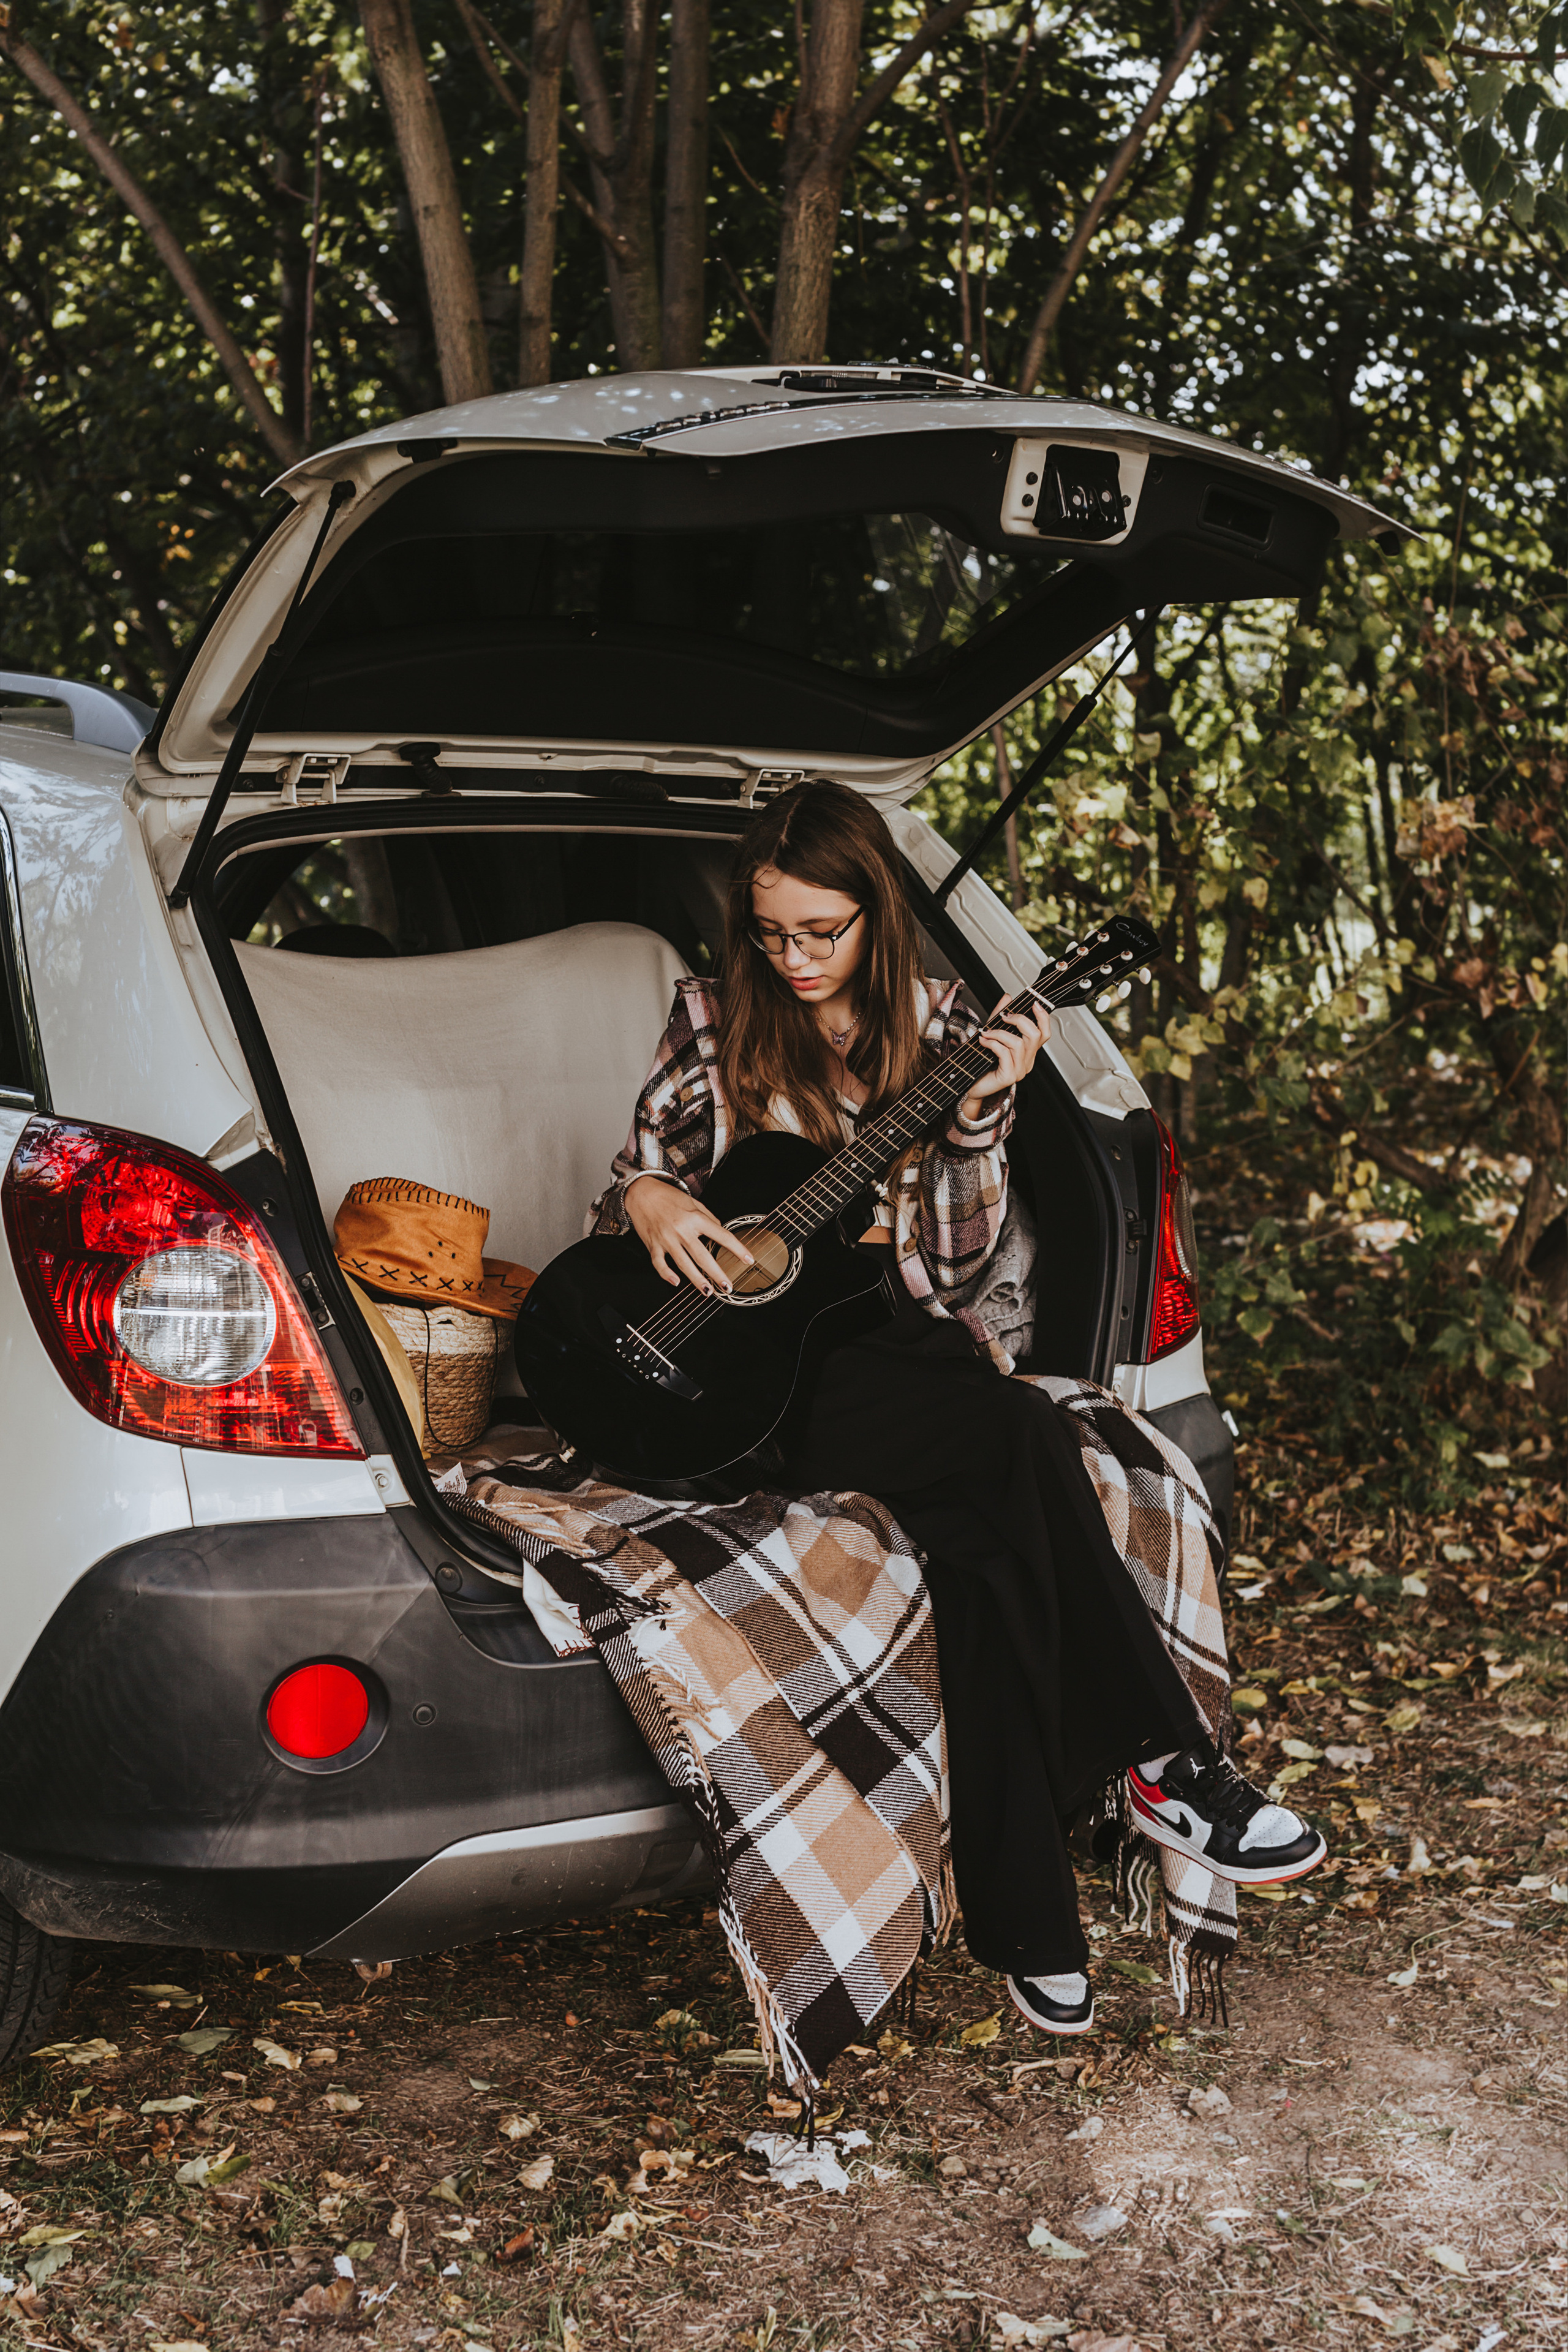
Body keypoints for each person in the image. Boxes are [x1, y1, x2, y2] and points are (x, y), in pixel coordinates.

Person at [589, 781, 1324, 2035]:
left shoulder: (941, 1028)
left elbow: (969, 1270)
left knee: (982, 1555)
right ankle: (1165, 1764)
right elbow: (634, 1199)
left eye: (820, 932)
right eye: (771, 932)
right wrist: (646, 1200)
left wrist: (977, 1120)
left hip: (896, 1342)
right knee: (1024, 1431)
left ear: (874, 915)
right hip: (754, 1380)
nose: (796, 959)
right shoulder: (712, 1021)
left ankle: (1027, 1916)